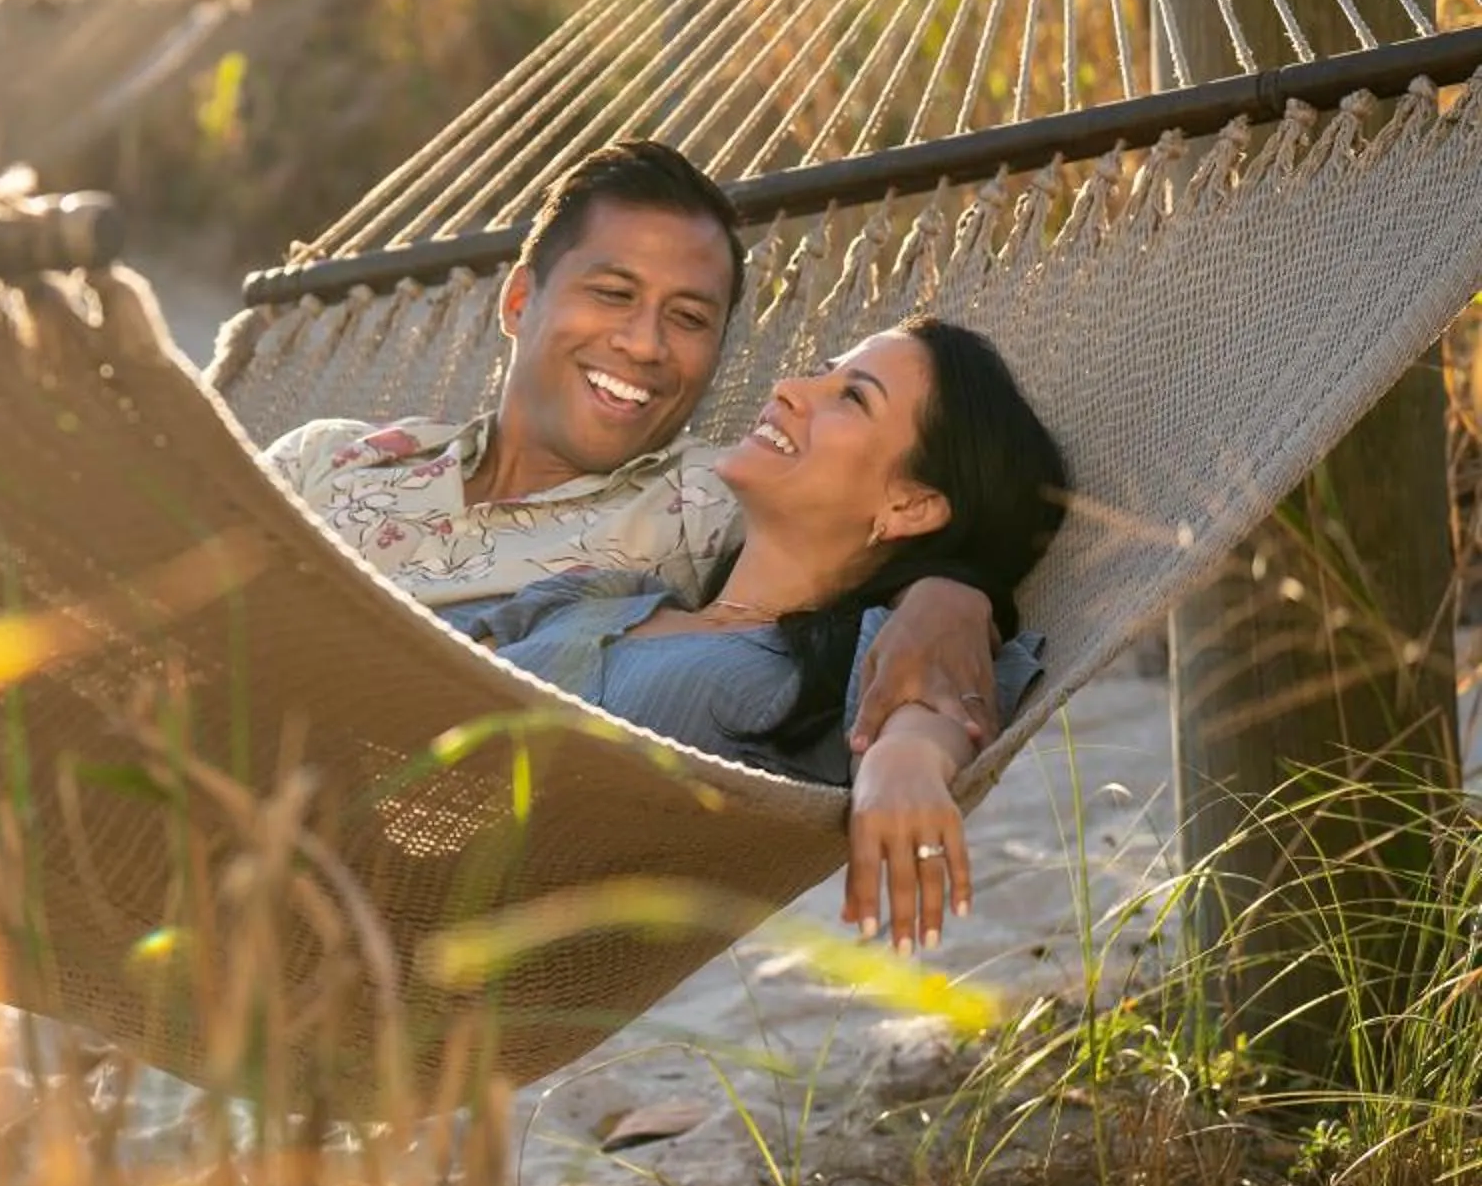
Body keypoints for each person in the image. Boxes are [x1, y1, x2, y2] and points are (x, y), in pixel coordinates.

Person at [263, 138, 1012, 756]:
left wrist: (951, 602)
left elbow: (872, 534)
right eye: (613, 294)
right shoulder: (327, 457)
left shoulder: (707, 502)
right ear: (520, 302)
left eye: (687, 318)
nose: (644, 343)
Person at [450, 319, 1069, 953]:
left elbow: (923, 705)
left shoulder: (846, 662)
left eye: (852, 397)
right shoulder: (605, 594)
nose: (791, 388)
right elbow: (414, 678)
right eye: (820, 370)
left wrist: (906, 761)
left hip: (460, 908)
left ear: (910, 506)